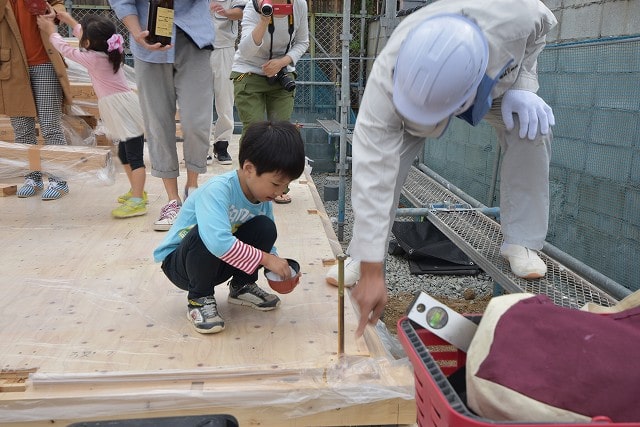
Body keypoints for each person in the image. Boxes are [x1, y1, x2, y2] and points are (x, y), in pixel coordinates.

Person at [347, 0, 557, 337]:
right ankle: (360, 253)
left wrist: (522, 87)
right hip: (420, 96)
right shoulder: (388, 75)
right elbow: (373, 171)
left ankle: (522, 241)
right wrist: (372, 268)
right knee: (390, 153)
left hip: (496, 83)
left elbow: (537, 35)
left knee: (533, 129)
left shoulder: (519, 12)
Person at [153, 121, 306, 334]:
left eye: (285, 186)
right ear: (249, 169)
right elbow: (217, 243)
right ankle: (199, 299)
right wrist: (266, 259)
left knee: (265, 227)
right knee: (206, 235)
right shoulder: (217, 191)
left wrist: (276, 263)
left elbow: (264, 243)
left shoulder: (261, 198)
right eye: (276, 183)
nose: (280, 192)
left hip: (217, 262)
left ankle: (242, 286)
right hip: (182, 264)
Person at [108, 0, 215, 230]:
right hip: (148, 39)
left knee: (197, 120)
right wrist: (136, 33)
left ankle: (192, 189)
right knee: (158, 123)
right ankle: (172, 200)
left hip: (193, 37)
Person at [38, 11, 148, 218]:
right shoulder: (107, 50)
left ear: (88, 42)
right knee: (124, 153)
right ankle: (137, 190)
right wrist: (69, 20)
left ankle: (138, 200)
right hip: (120, 107)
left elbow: (65, 49)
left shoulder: (93, 58)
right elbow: (85, 37)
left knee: (133, 156)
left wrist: (52, 30)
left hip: (122, 109)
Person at [230, 0, 309, 204]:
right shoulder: (253, 6)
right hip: (248, 71)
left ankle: (279, 185)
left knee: (282, 131)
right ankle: (246, 187)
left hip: (281, 72)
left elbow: (303, 42)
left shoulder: (299, 4)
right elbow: (246, 51)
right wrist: (264, 20)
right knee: (254, 130)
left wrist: (282, 62)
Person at [2, 0, 72, 201]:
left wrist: (53, 12)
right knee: (22, 127)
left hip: (44, 62)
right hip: (12, 67)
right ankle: (32, 178)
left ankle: (59, 180)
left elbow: (59, 5)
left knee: (50, 125)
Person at [206, 0, 245, 166]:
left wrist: (226, 12)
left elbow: (242, 11)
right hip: (198, 47)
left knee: (225, 99)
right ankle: (201, 147)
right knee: (200, 101)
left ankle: (221, 145)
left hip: (225, 47)